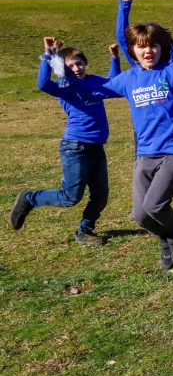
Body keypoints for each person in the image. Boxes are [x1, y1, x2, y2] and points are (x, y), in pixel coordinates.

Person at [93, 18, 173, 269]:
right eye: (141, 46)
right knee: (140, 215)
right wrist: (64, 76)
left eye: (153, 45)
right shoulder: (129, 78)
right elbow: (95, 91)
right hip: (145, 153)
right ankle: (165, 237)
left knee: (154, 205)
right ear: (132, 50)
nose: (148, 51)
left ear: (161, 48)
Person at [9, 39, 121, 244]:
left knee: (101, 195)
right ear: (64, 69)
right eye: (70, 65)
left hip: (97, 148)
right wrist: (48, 56)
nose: (76, 68)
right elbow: (42, 84)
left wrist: (114, 58)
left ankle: (84, 231)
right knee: (70, 197)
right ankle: (29, 199)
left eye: (79, 63)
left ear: (85, 63)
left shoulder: (95, 81)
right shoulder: (65, 85)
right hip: (75, 147)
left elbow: (115, 84)